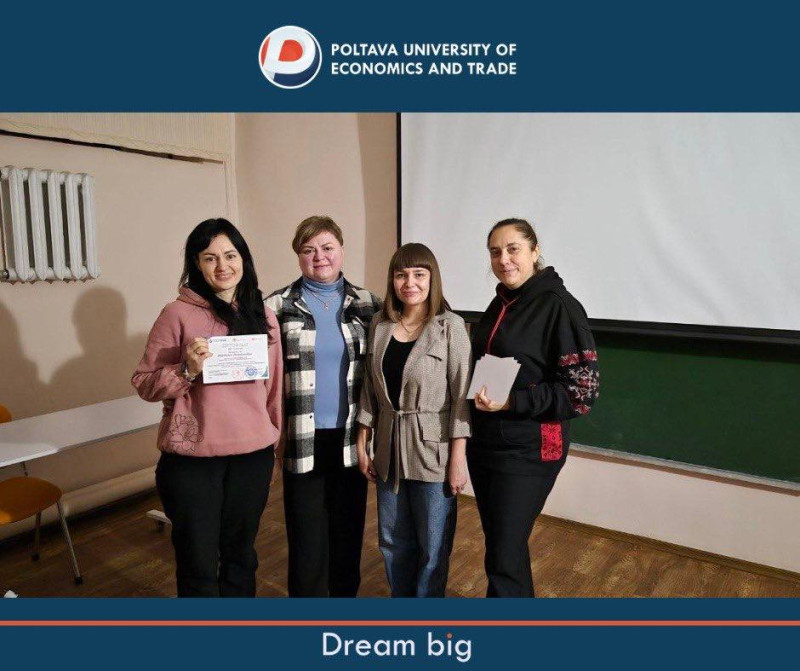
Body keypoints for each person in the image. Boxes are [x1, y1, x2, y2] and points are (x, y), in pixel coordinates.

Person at [132, 218, 282, 597]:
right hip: (192, 461)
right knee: (197, 562)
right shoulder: (176, 314)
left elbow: (274, 390)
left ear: (244, 259)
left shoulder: (263, 315)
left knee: (241, 557)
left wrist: (275, 442)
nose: (222, 266)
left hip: (252, 457)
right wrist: (186, 370)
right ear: (196, 264)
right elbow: (145, 383)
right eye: (210, 258)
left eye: (230, 255)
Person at [468, 218, 599, 597]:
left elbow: (581, 393)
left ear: (535, 251)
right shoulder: (501, 302)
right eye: (495, 252)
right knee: (502, 550)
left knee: (505, 553)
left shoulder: (560, 307)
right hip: (488, 444)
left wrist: (513, 401)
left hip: (530, 450)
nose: (503, 259)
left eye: (513, 249)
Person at [266, 215, 381, 597]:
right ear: (298, 255)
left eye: (327, 247)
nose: (319, 256)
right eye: (308, 249)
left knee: (348, 531)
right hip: (301, 437)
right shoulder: (275, 306)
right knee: (306, 537)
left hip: (351, 439)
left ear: (342, 250)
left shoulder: (369, 304)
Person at [356, 243, 471, 597]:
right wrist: (362, 444)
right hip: (388, 450)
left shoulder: (451, 327)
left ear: (432, 279)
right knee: (392, 541)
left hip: (433, 453)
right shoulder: (380, 324)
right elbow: (369, 389)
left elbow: (461, 399)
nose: (410, 283)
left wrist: (458, 459)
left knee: (432, 547)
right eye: (401, 275)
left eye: (419, 274)